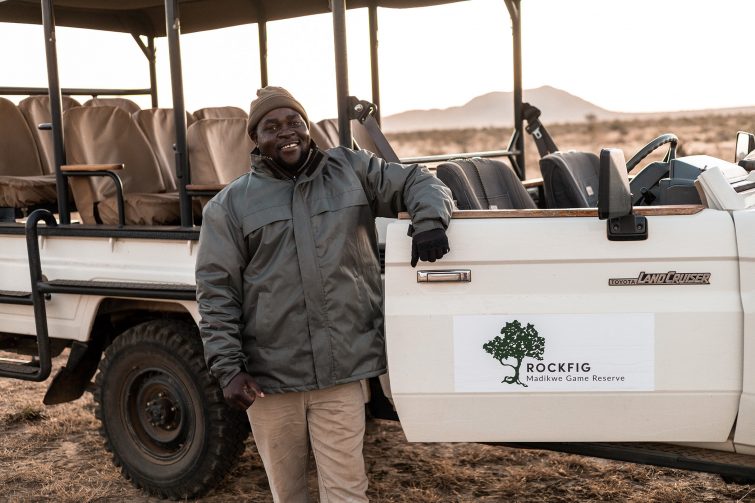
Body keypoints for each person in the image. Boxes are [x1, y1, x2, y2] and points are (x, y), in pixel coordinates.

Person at [195, 86, 453, 503]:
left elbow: (419, 181)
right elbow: (216, 293)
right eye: (272, 126)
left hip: (341, 374)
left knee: (348, 492)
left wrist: (429, 221)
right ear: (256, 138)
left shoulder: (349, 169)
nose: (286, 132)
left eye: (294, 121)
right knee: (290, 494)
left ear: (307, 125)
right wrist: (228, 368)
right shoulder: (230, 205)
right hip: (269, 382)